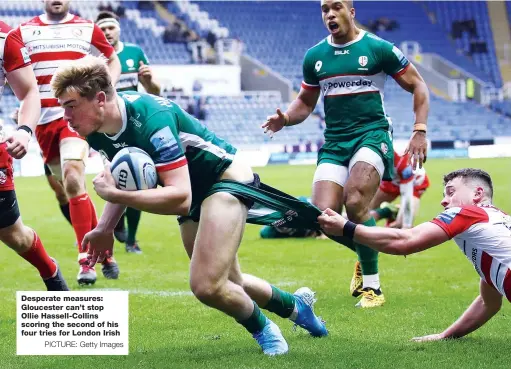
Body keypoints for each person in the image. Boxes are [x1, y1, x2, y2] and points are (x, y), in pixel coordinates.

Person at [51, 55, 328, 356]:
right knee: (229, 282)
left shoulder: (151, 118)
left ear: (100, 99)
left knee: (206, 286)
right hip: (193, 193)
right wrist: (104, 228)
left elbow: (179, 197)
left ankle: (264, 329)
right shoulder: (98, 132)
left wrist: (115, 197)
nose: (66, 116)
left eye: (71, 105)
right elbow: (127, 184)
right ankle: (296, 308)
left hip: (225, 178)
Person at [262, 0, 429, 308]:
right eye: (324, 9)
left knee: (355, 201)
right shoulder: (315, 56)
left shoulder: (379, 49)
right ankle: (367, 253)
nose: (329, 14)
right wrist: (285, 118)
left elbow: (419, 86)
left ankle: (373, 288)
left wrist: (419, 130)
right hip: (335, 141)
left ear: (351, 12)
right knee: (323, 218)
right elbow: (305, 103)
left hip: (372, 135)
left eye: (336, 7)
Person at [319, 168, 511, 341]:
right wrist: (444, 336)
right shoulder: (497, 224)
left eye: (451, 192)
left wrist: (346, 227)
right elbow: (488, 303)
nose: (444, 200)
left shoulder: (468, 213)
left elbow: (405, 241)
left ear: (477, 194)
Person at [13, 0, 122, 286]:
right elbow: (17, 76)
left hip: (75, 117)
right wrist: (23, 108)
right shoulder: (23, 32)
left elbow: (112, 59)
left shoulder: (86, 28)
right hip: (43, 123)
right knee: (71, 189)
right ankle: (104, 250)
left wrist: (104, 91)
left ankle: (86, 261)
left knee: (74, 178)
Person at [0, 20, 68, 291]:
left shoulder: (5, 37)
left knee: (13, 235)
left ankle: (50, 271)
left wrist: (25, 130)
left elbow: (29, 91)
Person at [96, 10, 161, 254]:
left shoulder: (135, 53)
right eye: (102, 29)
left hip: (133, 126)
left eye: (110, 28)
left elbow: (154, 91)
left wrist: (150, 80)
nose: (107, 32)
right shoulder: (94, 58)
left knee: (138, 180)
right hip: (106, 129)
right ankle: (117, 223)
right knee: (113, 178)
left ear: (118, 29)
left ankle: (132, 240)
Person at [369, 151, 430, 229]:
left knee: (401, 225)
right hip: (392, 180)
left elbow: (406, 197)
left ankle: (389, 211)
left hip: (415, 183)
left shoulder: (402, 163)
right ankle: (394, 211)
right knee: (365, 210)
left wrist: (406, 224)